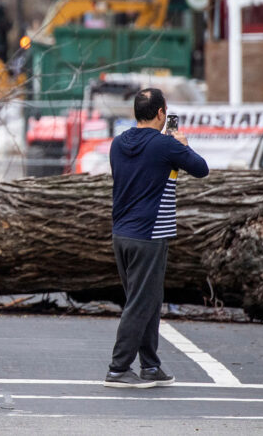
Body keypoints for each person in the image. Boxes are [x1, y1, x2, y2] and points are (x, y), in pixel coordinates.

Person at [103, 87, 209, 389]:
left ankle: (150, 366)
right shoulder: (166, 146)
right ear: (161, 113)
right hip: (150, 234)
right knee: (141, 303)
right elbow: (201, 169)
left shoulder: (117, 143)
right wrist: (182, 147)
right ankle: (118, 368)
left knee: (147, 300)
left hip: (121, 234)